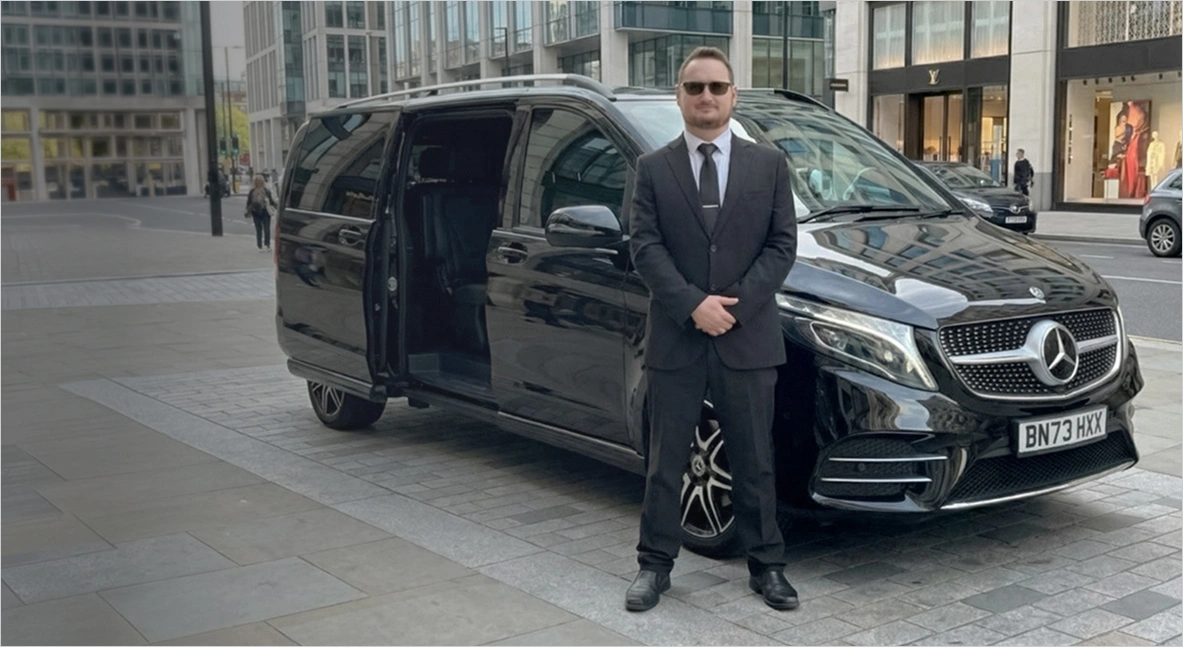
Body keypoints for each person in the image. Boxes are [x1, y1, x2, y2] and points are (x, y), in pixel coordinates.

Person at [626, 46, 798, 613]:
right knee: (664, 461)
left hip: (747, 339)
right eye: (694, 87)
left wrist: (735, 307)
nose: (706, 97)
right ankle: (654, 567)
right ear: (679, 95)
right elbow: (644, 247)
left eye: (716, 87)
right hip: (677, 338)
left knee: (755, 461)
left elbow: (781, 246)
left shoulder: (768, 166)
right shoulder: (652, 169)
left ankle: (767, 567)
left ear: (733, 96)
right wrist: (692, 305)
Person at [245, 174, 277, 252]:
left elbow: (271, 201)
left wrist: (274, 206)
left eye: (260, 181)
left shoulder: (265, 191)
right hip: (258, 212)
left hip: (263, 211)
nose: (258, 183)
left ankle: (264, 245)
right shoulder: (253, 191)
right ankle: (262, 245)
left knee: (264, 229)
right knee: (261, 229)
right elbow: (249, 202)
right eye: (257, 181)